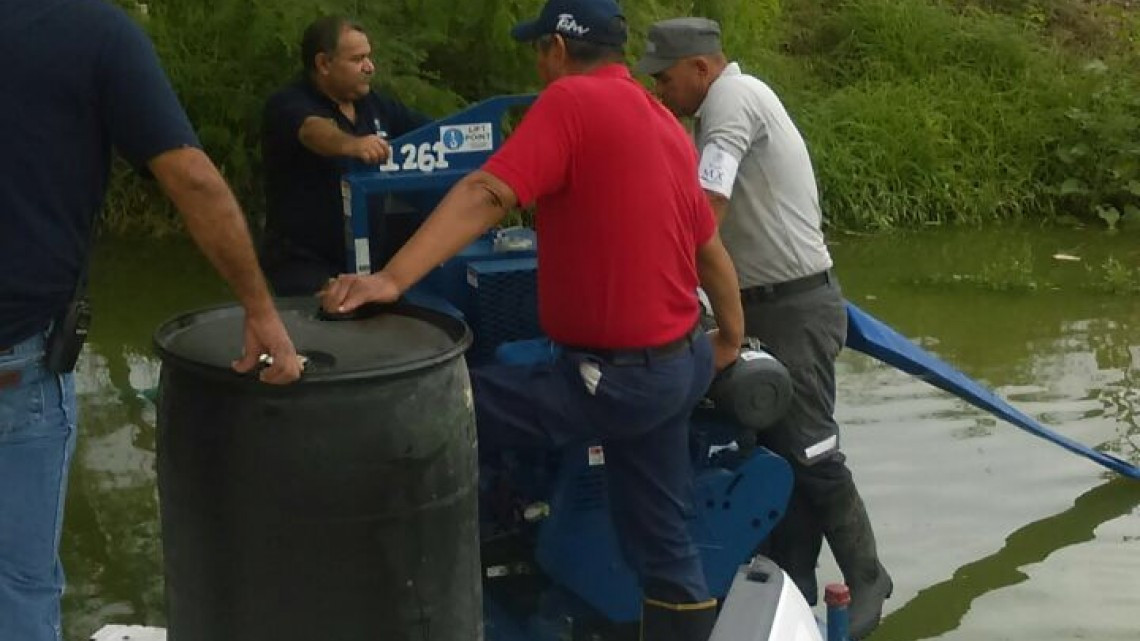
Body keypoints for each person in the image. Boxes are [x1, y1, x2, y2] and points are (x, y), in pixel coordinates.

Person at [321, 1, 745, 639]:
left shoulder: (571, 101)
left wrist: (389, 279)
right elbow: (706, 246)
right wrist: (732, 337)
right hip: (677, 364)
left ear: (556, 47)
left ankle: (406, 602)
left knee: (431, 411)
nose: (540, 65)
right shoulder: (660, 119)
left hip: (612, 380)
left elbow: (487, 191)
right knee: (664, 547)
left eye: (539, 52)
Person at [0, 2, 303, 640]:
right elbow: (190, 179)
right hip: (15, 360)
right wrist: (261, 310)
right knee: (17, 583)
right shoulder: (94, 32)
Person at [636, 17, 893, 640]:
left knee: (811, 449)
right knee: (778, 457)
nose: (662, 93)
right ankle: (793, 588)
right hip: (763, 304)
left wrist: (661, 276)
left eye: (666, 79)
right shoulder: (715, 109)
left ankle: (867, 577)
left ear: (700, 66)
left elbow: (706, 211)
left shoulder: (732, 101)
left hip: (794, 306)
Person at [260, 16, 433, 295]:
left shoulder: (375, 104)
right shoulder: (288, 103)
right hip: (304, 266)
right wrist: (352, 145)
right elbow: (312, 131)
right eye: (357, 59)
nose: (369, 67)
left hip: (369, 264)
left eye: (369, 57)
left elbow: (432, 131)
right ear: (324, 64)